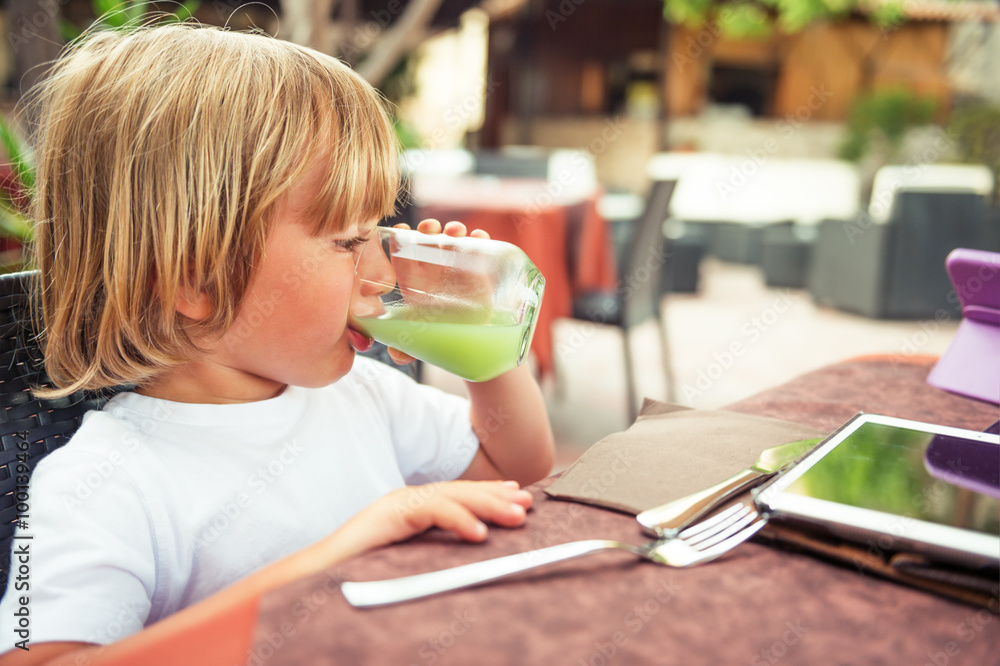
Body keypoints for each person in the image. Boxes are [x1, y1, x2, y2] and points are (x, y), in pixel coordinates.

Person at [0, 23, 554, 664]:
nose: (383, 273)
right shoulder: (102, 481)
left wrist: (479, 345)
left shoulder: (362, 394)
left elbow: (517, 465)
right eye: (348, 241)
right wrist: (327, 563)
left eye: (379, 231)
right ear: (194, 279)